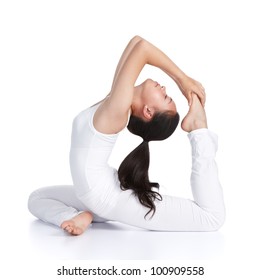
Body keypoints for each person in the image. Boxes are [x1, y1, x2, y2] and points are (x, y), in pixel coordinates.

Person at [28, 36, 225, 235]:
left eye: (165, 97)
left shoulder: (117, 111)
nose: (164, 88)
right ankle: (73, 216)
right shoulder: (114, 100)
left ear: (148, 112)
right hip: (96, 194)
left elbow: (143, 49)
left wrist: (183, 80)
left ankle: (199, 127)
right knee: (37, 198)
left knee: (212, 218)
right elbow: (136, 42)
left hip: (111, 199)